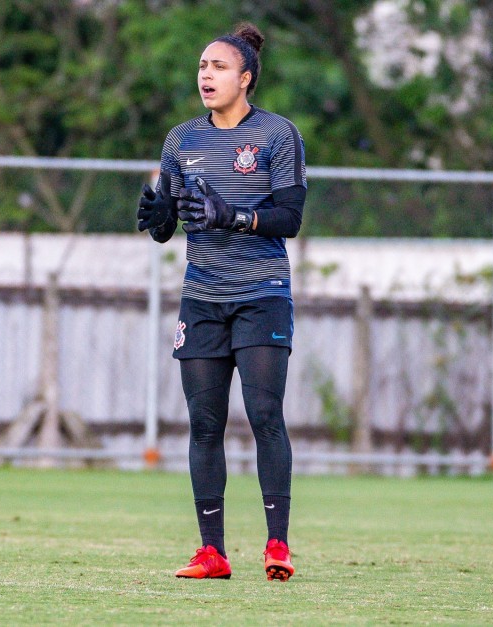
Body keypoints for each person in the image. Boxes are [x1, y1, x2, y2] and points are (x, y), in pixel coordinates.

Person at [136, 21, 306, 582]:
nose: (206, 75)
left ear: (246, 78)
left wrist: (233, 215)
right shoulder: (180, 139)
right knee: (204, 425)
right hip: (202, 298)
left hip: (261, 295)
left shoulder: (278, 135)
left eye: (219, 67)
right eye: (203, 67)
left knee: (264, 416)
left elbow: (290, 218)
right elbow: (172, 218)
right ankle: (212, 553)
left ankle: (276, 545)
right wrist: (159, 220)